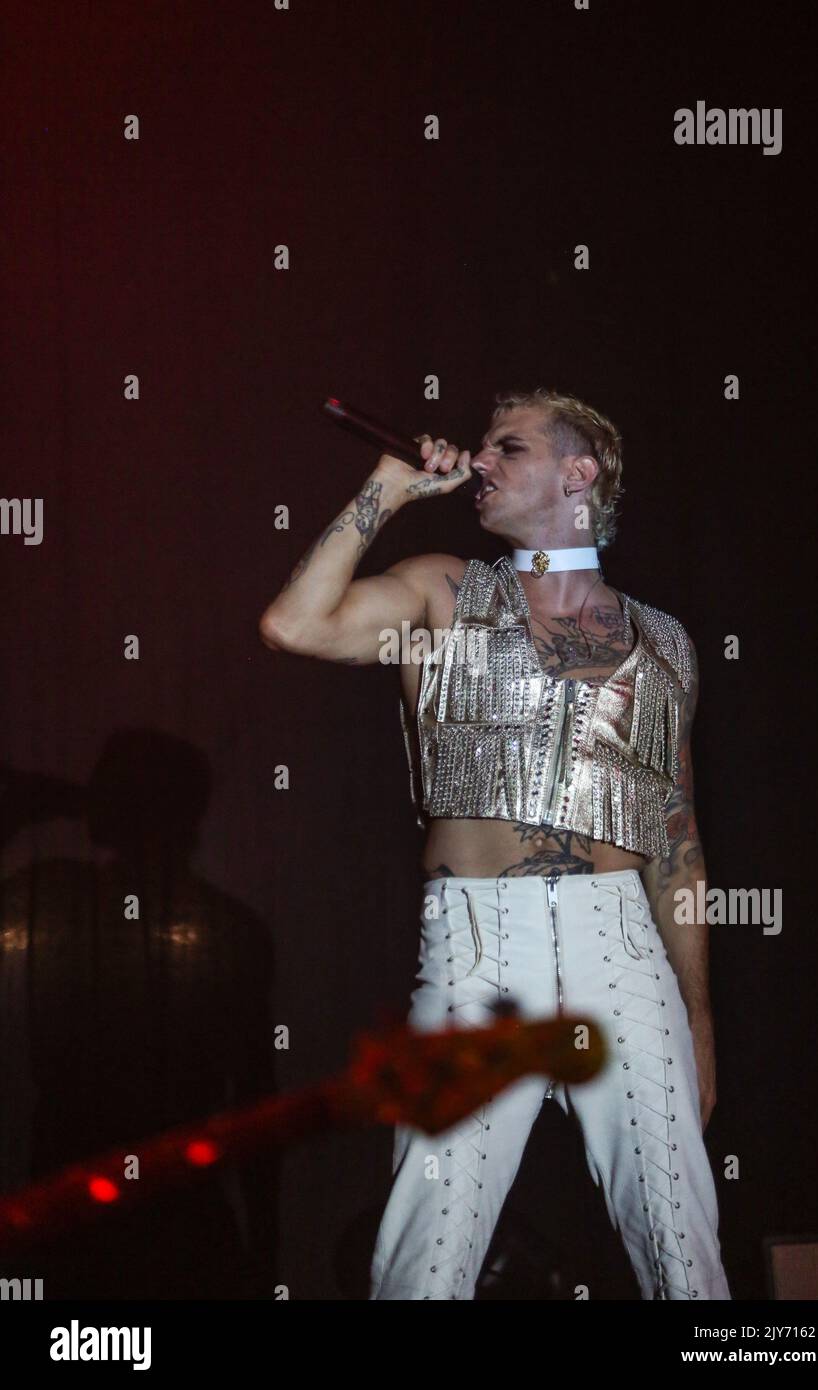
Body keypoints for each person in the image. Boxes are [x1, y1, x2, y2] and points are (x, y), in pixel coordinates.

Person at [259, 387, 731, 1301]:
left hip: (623, 948)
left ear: (577, 472)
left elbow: (679, 846)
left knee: (686, 1254)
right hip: (481, 950)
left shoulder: (665, 641)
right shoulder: (443, 590)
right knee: (427, 1260)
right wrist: (387, 490)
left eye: (506, 448)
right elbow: (294, 625)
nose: (480, 461)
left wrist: (699, 1023)